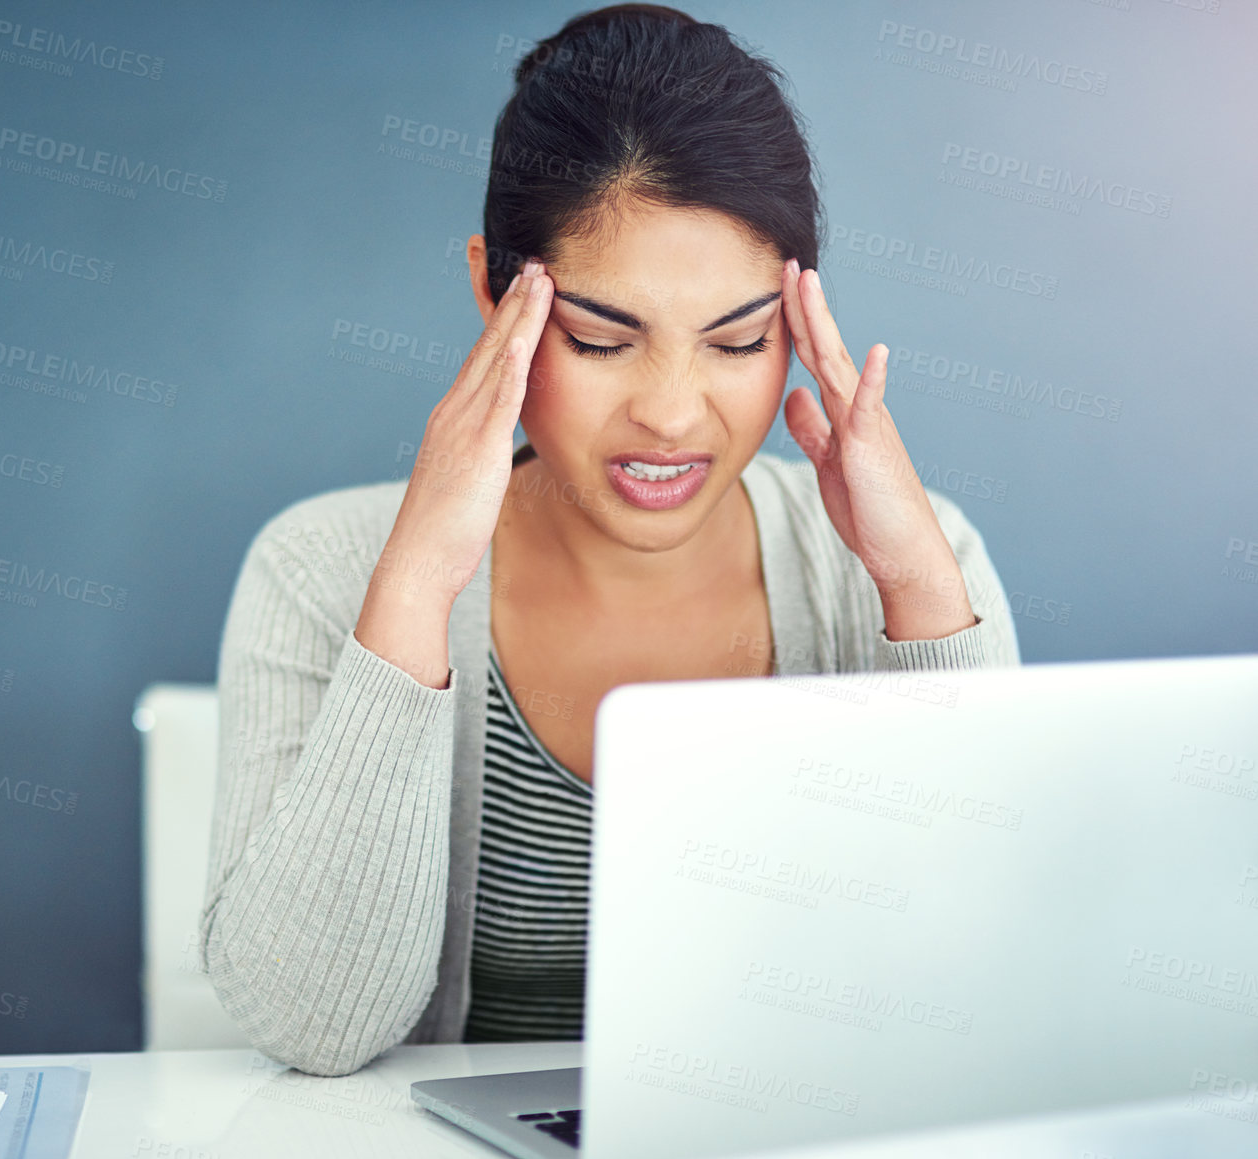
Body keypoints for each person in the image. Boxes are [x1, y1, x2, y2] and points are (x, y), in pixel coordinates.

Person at [201, 3, 1020, 1078]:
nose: (675, 416)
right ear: (495, 291)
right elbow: (315, 1025)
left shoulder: (913, 565)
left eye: (739, 341)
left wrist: (918, 592)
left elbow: (988, 988)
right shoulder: (318, 568)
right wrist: (414, 586)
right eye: (599, 340)